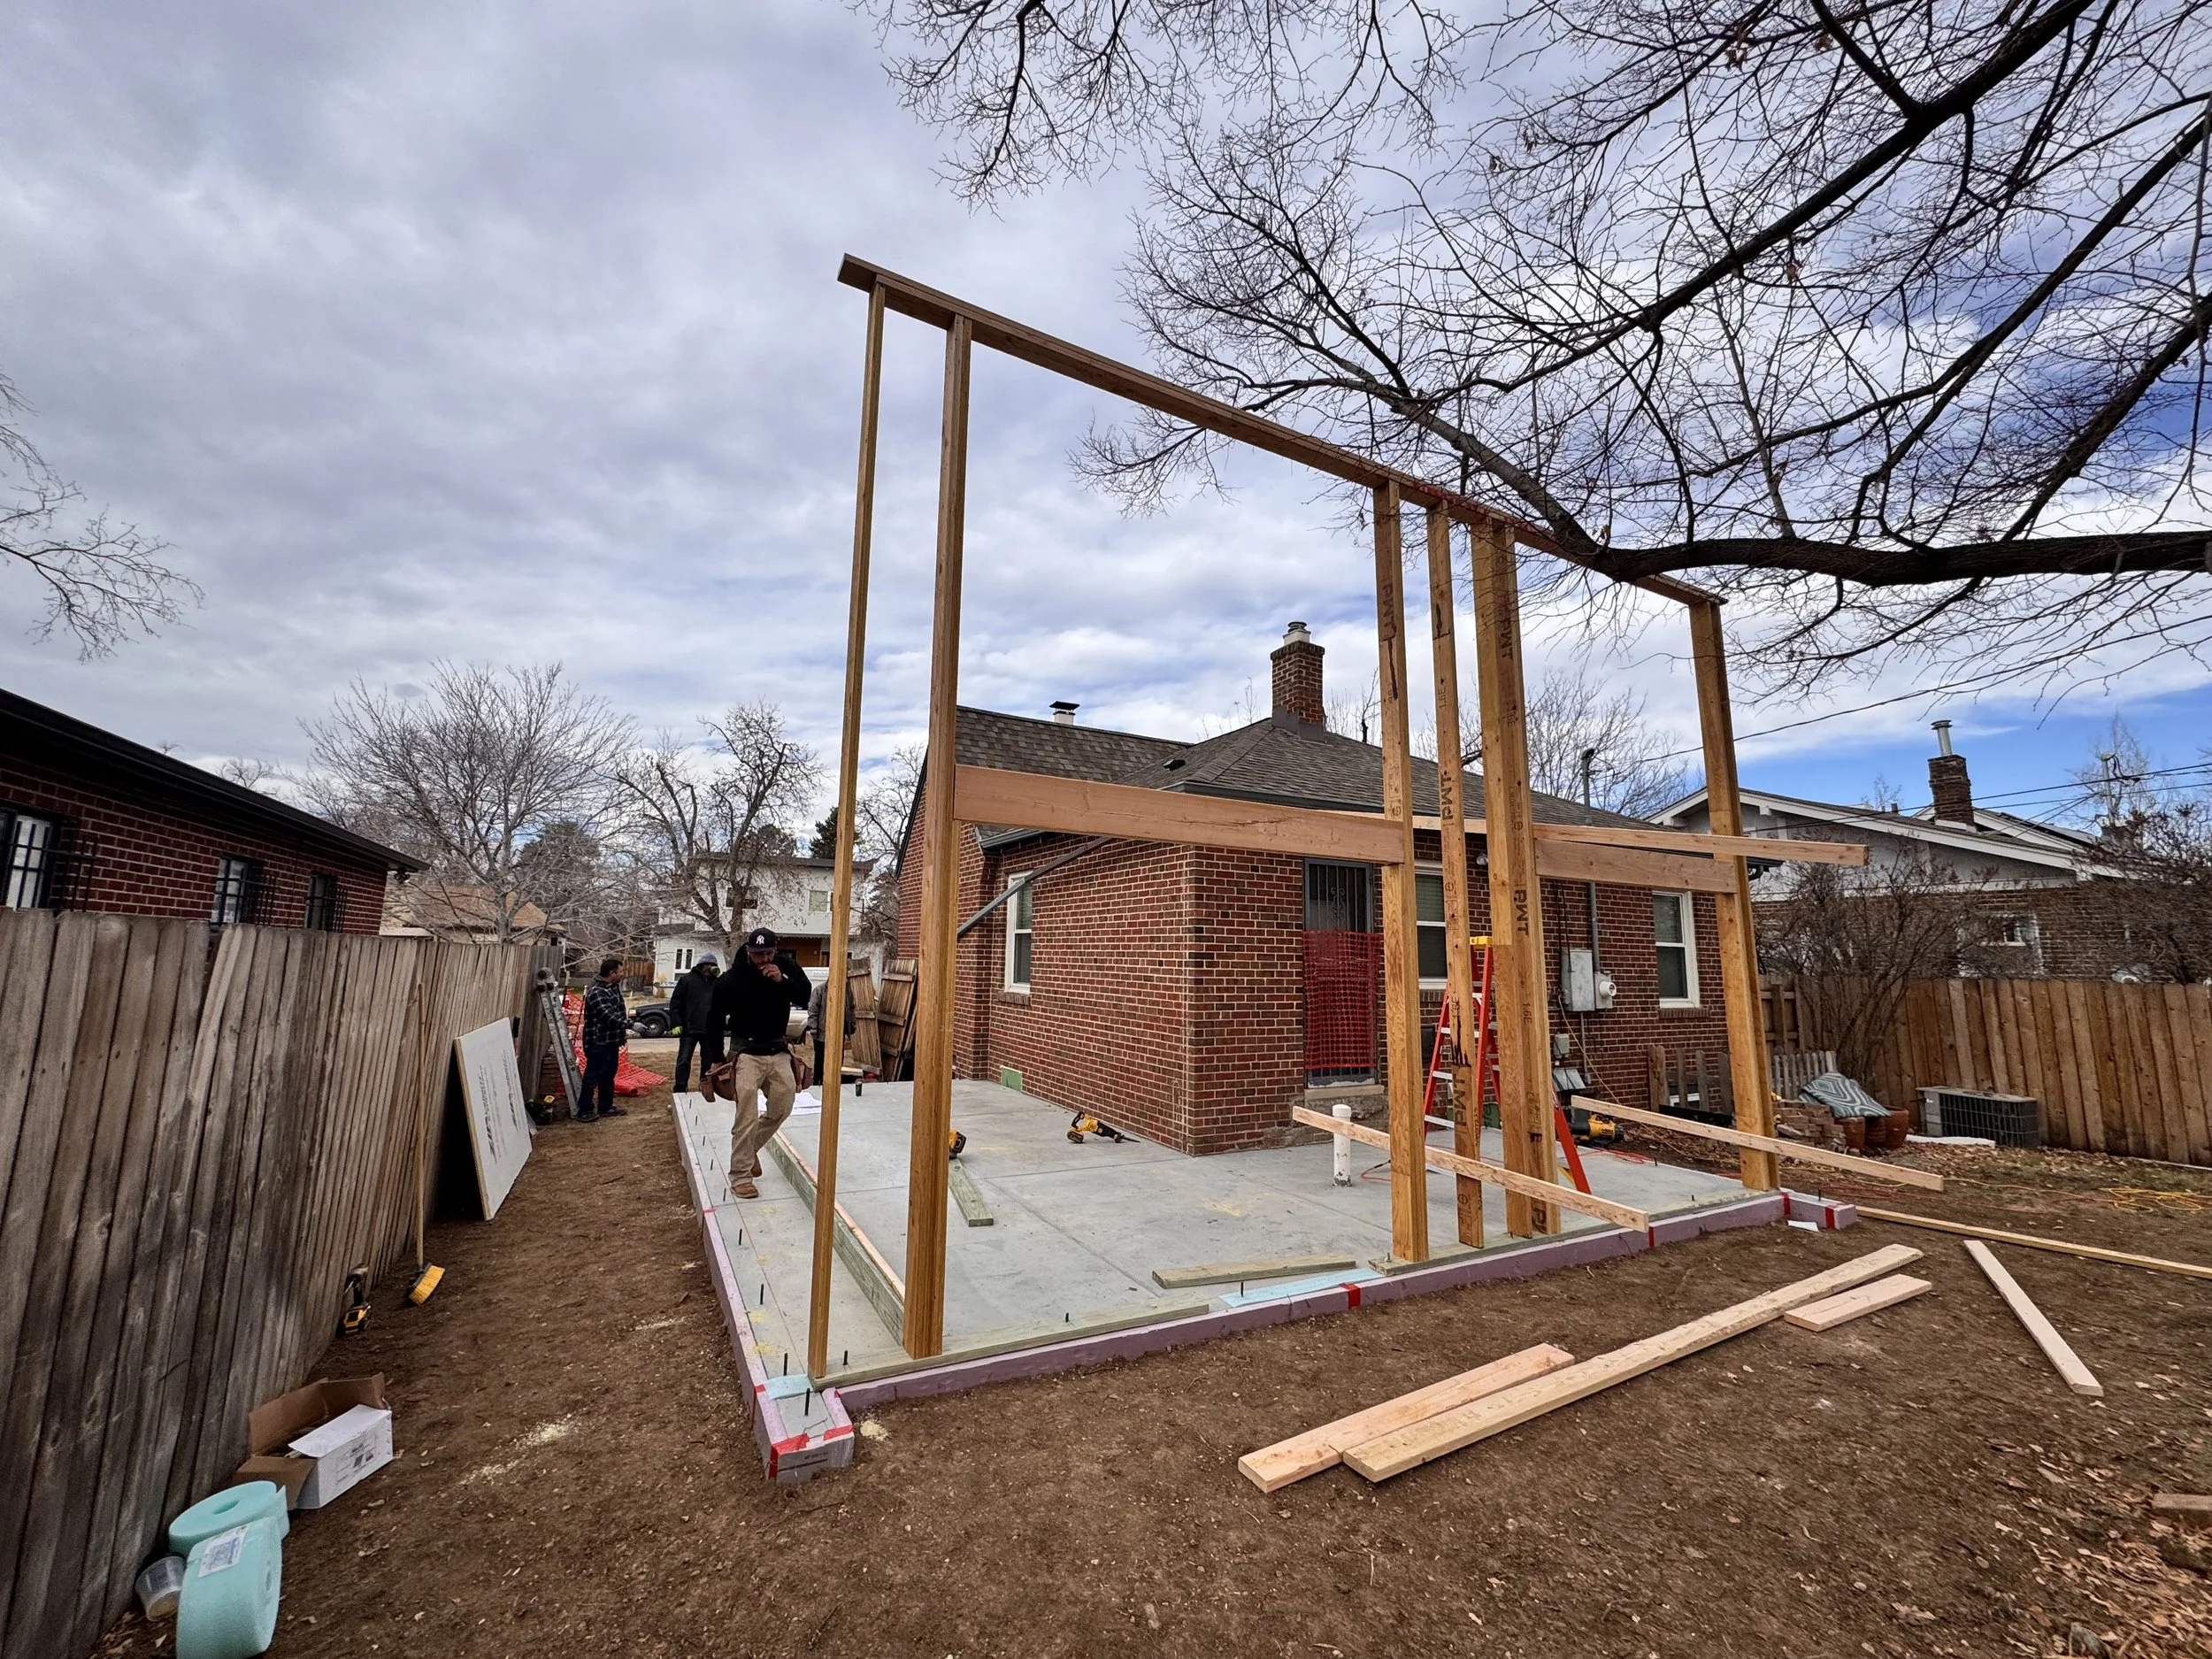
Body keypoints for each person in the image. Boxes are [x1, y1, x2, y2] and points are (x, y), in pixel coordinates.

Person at [710, 926, 810, 1197]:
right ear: (749, 951)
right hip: (746, 1051)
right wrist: (715, 1058)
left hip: (777, 1048)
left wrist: (783, 981)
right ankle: (740, 1175)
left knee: (783, 1105)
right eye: (758, 954)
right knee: (747, 1114)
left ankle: (750, 1148)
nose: (763, 960)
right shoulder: (733, 978)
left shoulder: (786, 966)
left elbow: (805, 996)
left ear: (775, 950)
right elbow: (714, 1020)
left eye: (768, 953)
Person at [579, 956, 630, 1123]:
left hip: (611, 1041)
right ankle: (585, 1110)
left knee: (608, 1075)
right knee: (593, 1075)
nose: (623, 974)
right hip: (598, 1041)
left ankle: (605, 1106)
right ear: (612, 973)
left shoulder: (612, 987)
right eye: (620, 971)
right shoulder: (597, 992)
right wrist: (631, 1025)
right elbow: (609, 1016)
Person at [667, 952, 724, 1094]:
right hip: (689, 1028)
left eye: (712, 965)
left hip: (709, 1030)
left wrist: (721, 979)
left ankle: (704, 1087)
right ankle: (680, 1087)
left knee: (707, 1061)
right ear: (700, 965)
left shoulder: (717, 983)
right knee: (684, 1060)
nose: (708, 967)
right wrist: (676, 1023)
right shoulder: (687, 980)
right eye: (706, 965)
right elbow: (675, 1004)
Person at [808, 967, 856, 1093]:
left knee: (837, 1060)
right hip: (822, 1034)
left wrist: (852, 1023)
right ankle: (818, 1083)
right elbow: (813, 1011)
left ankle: (835, 1082)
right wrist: (813, 1027)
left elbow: (851, 1008)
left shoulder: (846, 991)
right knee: (820, 1061)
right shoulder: (820, 990)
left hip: (839, 1034)